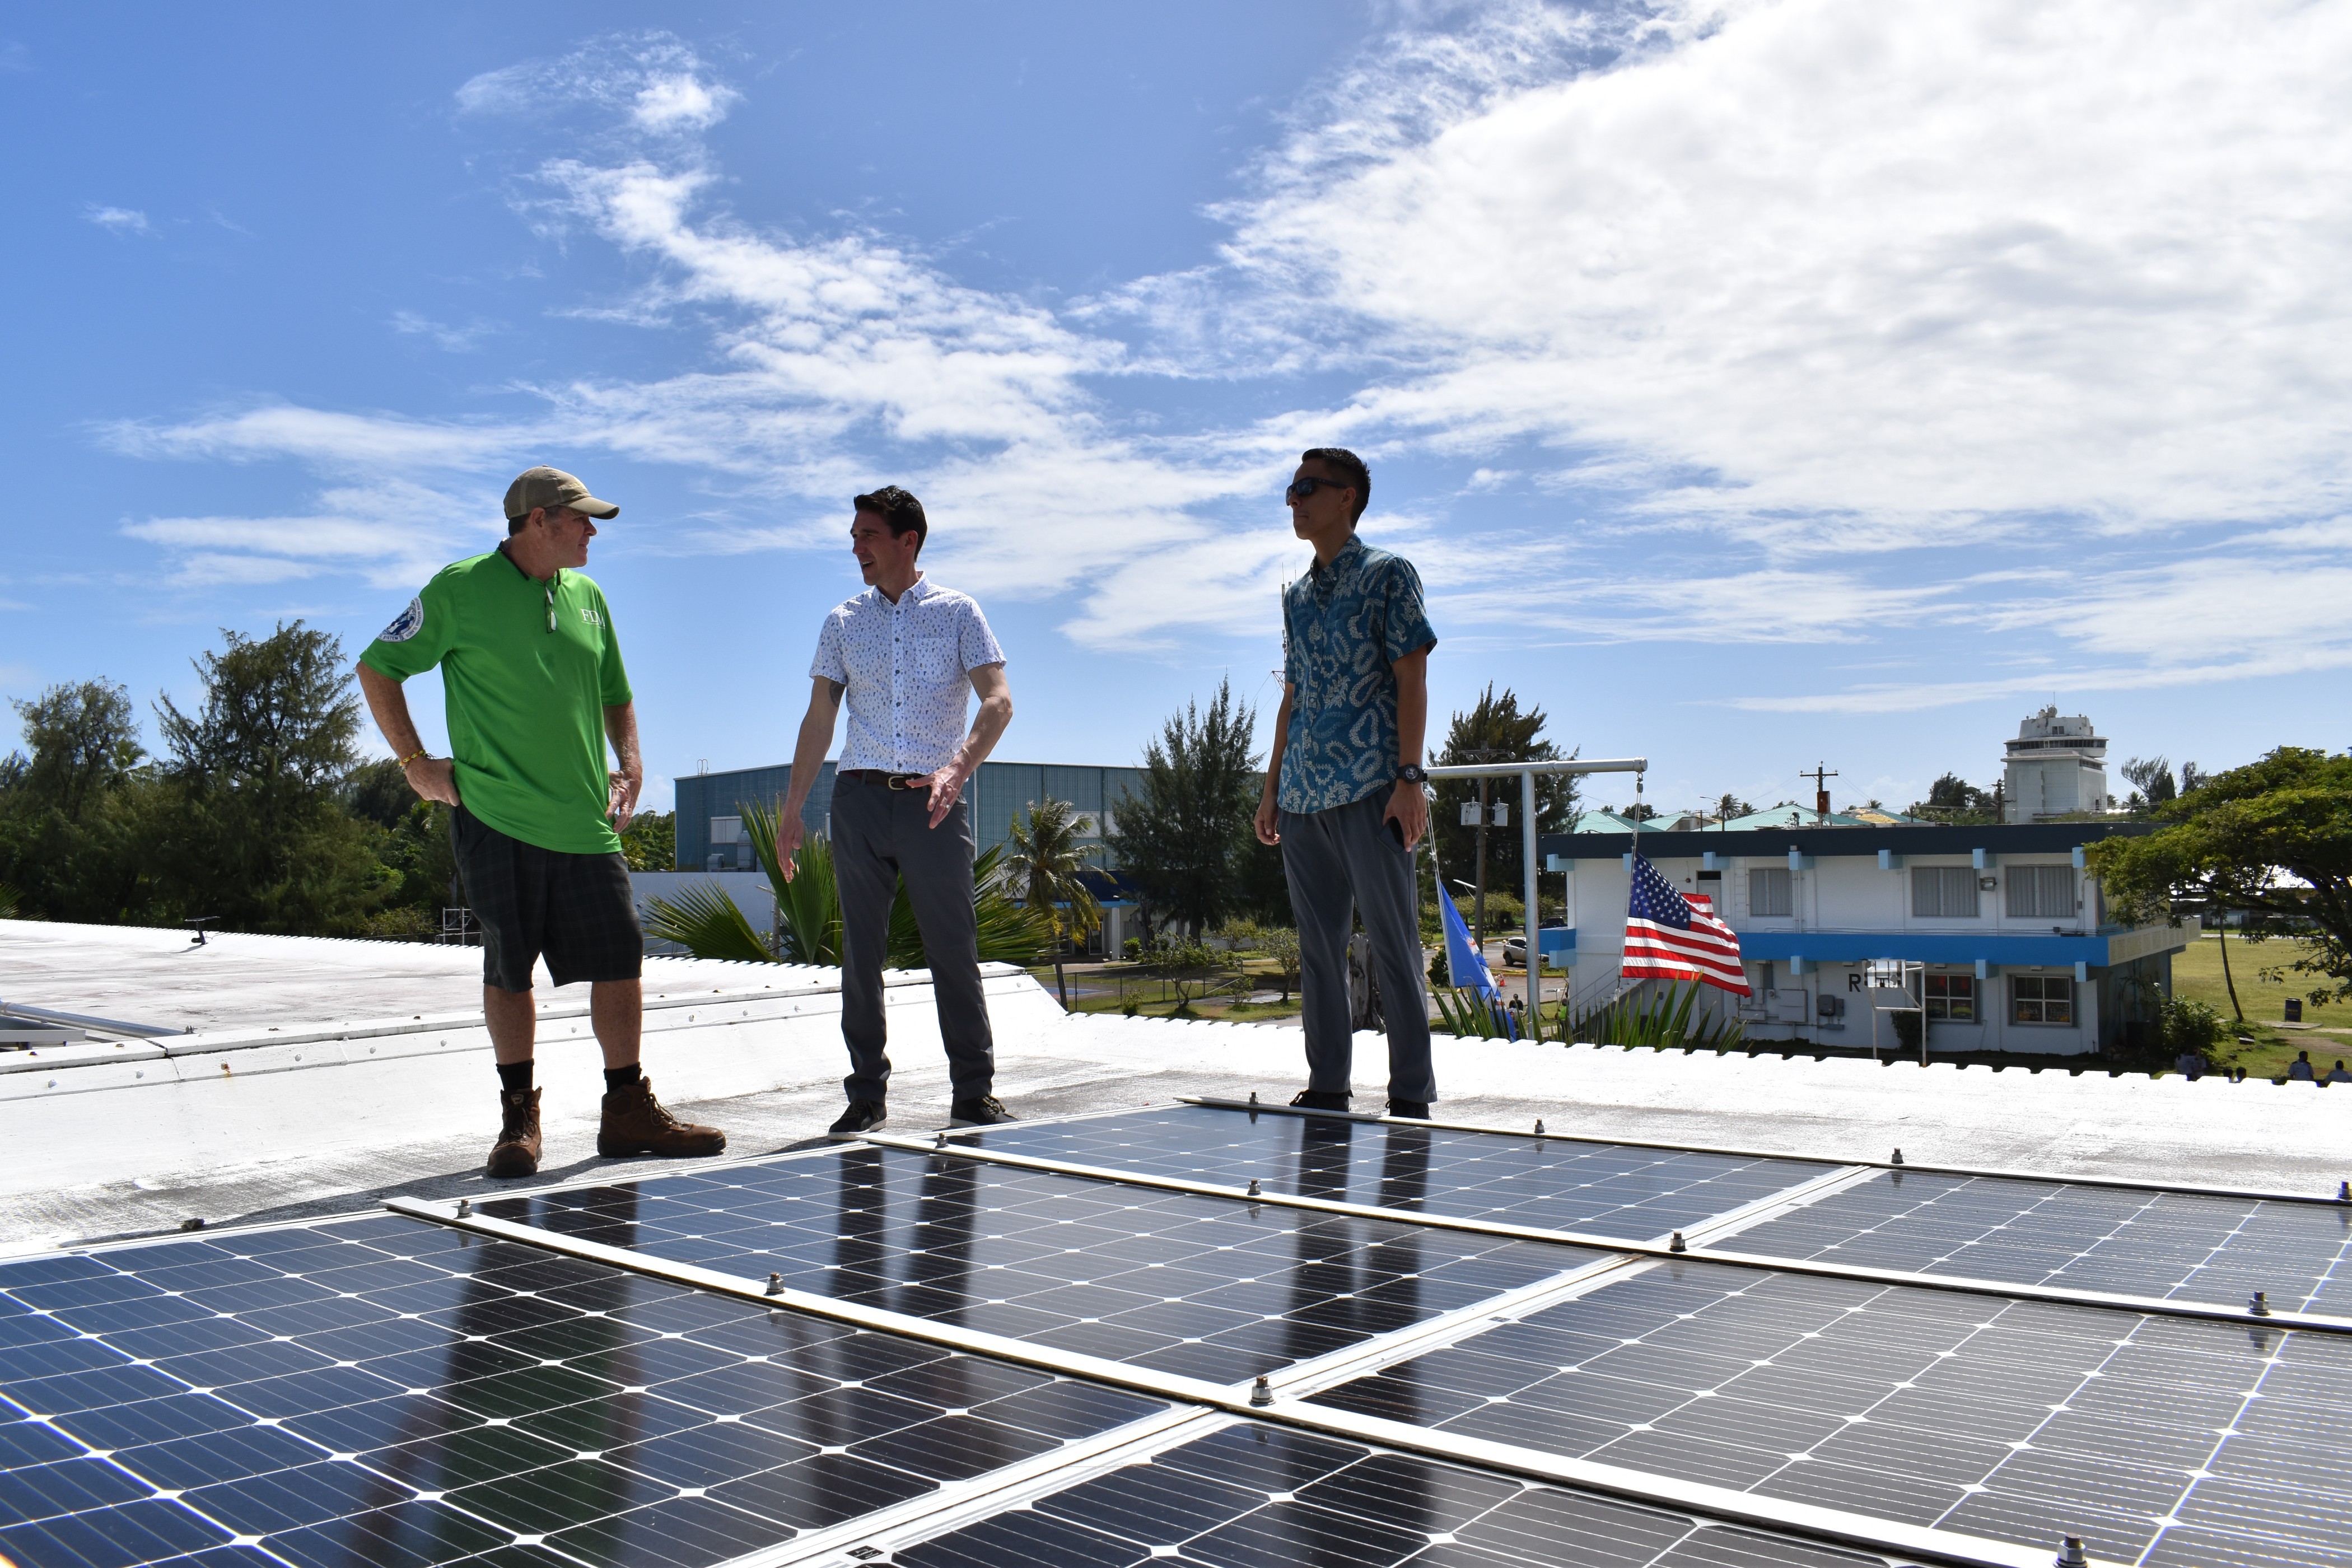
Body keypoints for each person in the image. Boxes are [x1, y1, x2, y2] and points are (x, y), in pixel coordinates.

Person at [358, 465, 726, 1178]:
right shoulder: (458, 588)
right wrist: (414, 763)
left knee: (620, 958)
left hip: (587, 821)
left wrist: (632, 766)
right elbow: (379, 667)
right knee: (510, 968)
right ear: (537, 521)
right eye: (581, 519)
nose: (592, 532)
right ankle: (518, 1120)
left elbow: (617, 694)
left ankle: (627, 1111)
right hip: (496, 817)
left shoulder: (588, 597)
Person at [777, 486, 1015, 1136]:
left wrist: (957, 768)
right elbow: (819, 717)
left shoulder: (959, 612)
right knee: (861, 954)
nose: (856, 547)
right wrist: (794, 808)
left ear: (908, 541)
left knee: (953, 948)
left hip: (933, 803)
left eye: (869, 535)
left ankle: (973, 1092)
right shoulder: (842, 621)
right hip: (857, 799)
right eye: (854, 536)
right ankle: (865, 1095)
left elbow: (998, 701)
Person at [1254, 447, 1438, 1118]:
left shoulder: (1389, 573)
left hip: (1372, 788)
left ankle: (1411, 1092)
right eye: (1290, 490)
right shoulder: (1296, 597)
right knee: (1318, 950)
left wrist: (1410, 778)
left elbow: (1412, 676)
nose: (1294, 501)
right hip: (1304, 797)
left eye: (1307, 488)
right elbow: (1293, 695)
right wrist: (1271, 787)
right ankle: (1328, 1084)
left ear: (1346, 498)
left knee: (1394, 943)